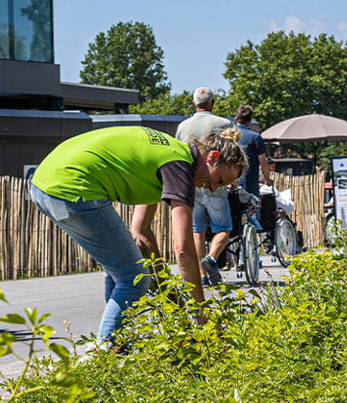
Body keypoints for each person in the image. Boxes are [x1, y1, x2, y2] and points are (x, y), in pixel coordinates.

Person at [29, 125, 245, 342]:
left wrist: (176, 302)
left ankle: (116, 345)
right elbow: (183, 251)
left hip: (44, 183)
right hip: (71, 186)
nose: (214, 189)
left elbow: (141, 233)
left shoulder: (168, 156)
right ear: (212, 157)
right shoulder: (180, 168)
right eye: (219, 181)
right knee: (133, 277)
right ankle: (104, 352)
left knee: (123, 271)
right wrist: (202, 316)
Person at [176, 87, 236, 286]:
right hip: (216, 183)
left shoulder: (183, 127)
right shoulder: (225, 124)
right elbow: (232, 159)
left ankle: (202, 275)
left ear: (194, 104)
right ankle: (211, 257)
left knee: (197, 230)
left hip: (191, 185)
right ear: (213, 103)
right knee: (223, 227)